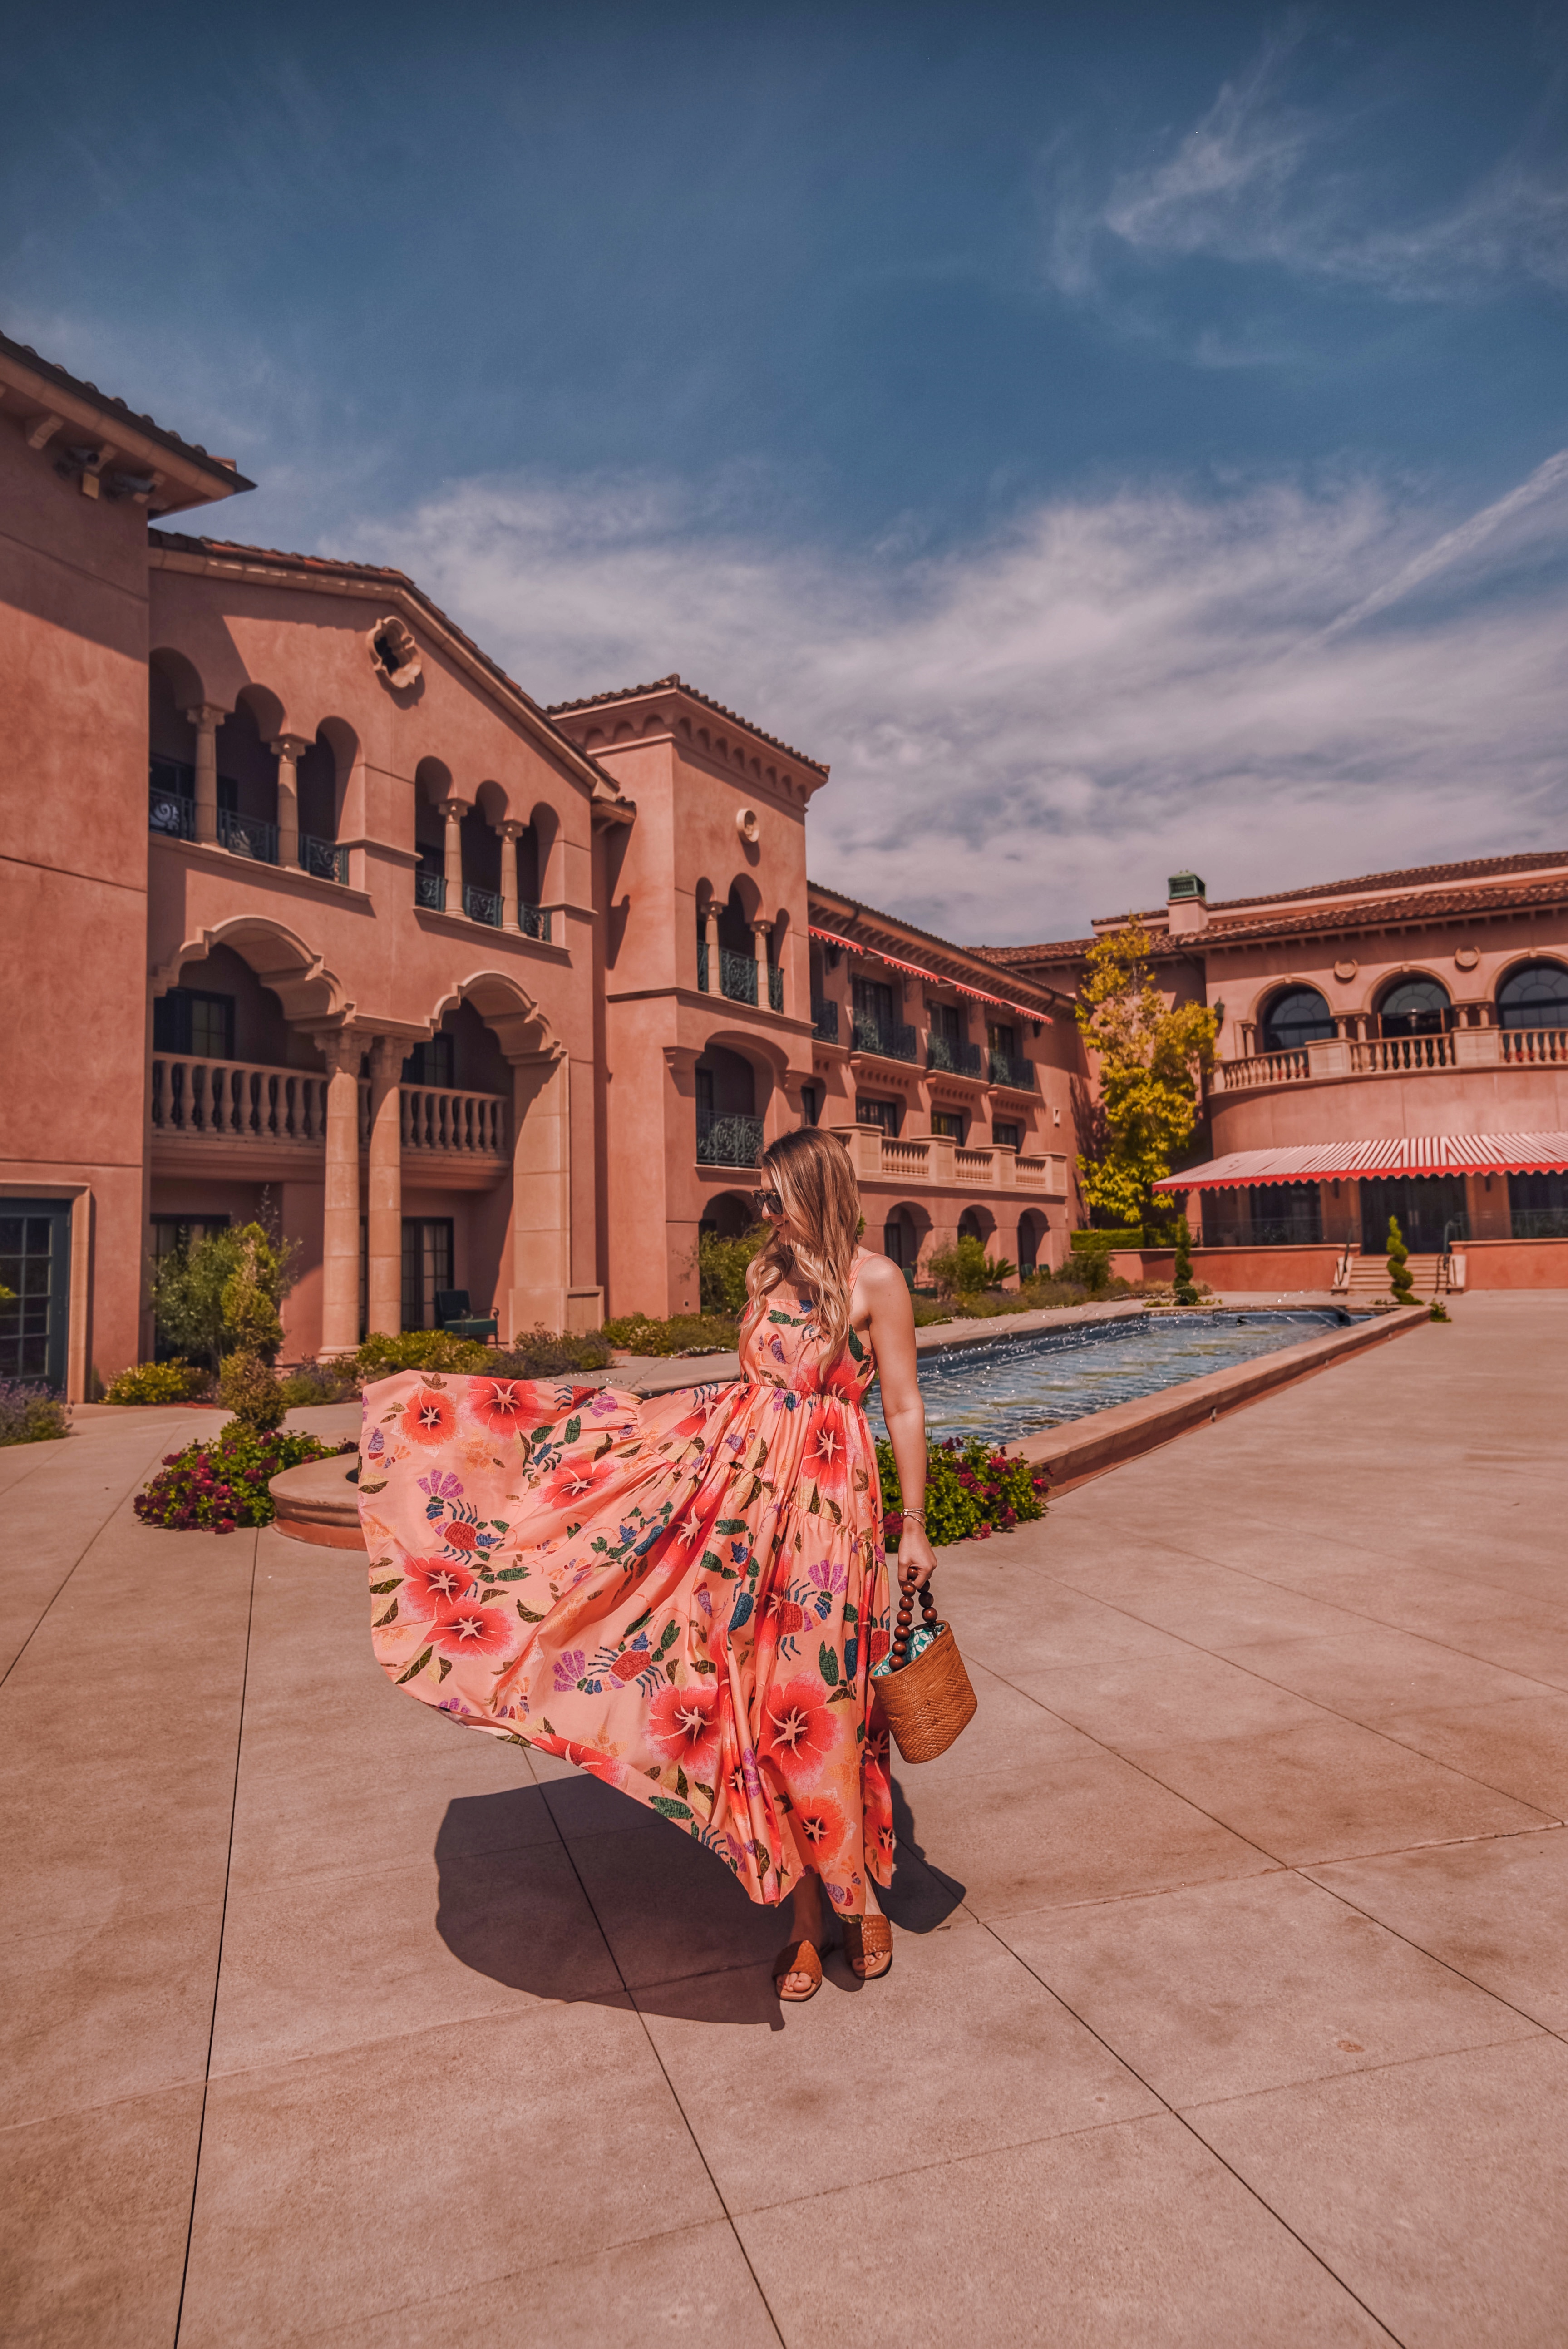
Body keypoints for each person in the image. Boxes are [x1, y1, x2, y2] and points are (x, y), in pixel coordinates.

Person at [360, 1125, 936, 2003]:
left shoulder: (875, 1280)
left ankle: (858, 1898)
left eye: (775, 1196)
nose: (764, 1211)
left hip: (830, 1520)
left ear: (812, 1191)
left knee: (827, 1702)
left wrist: (914, 1524)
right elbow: (751, 1392)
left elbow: (901, 1404)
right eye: (761, 1196)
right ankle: (806, 1922)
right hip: (742, 1510)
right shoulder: (767, 1276)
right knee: (751, 1697)